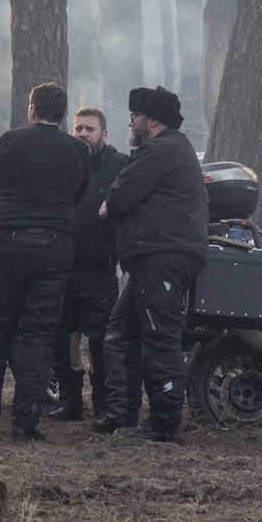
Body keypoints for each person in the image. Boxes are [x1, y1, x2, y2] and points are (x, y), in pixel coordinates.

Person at [0, 83, 90, 440]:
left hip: (10, 244)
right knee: (39, 335)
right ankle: (25, 422)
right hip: (54, 249)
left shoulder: (9, 141)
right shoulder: (77, 150)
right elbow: (77, 195)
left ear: (31, 109)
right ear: (65, 115)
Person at [94, 86, 208, 442]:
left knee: (160, 338)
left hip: (161, 257)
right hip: (156, 257)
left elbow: (120, 196)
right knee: (121, 331)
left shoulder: (157, 151)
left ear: (152, 121)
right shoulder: (175, 147)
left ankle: (163, 424)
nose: (131, 123)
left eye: (134, 117)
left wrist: (109, 206)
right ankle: (121, 414)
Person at [48, 107, 129, 422]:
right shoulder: (64, 163)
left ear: (104, 135)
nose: (82, 134)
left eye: (90, 129)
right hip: (63, 268)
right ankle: (70, 402)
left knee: (99, 342)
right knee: (63, 339)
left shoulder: (120, 165)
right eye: (78, 128)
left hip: (100, 270)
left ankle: (103, 404)